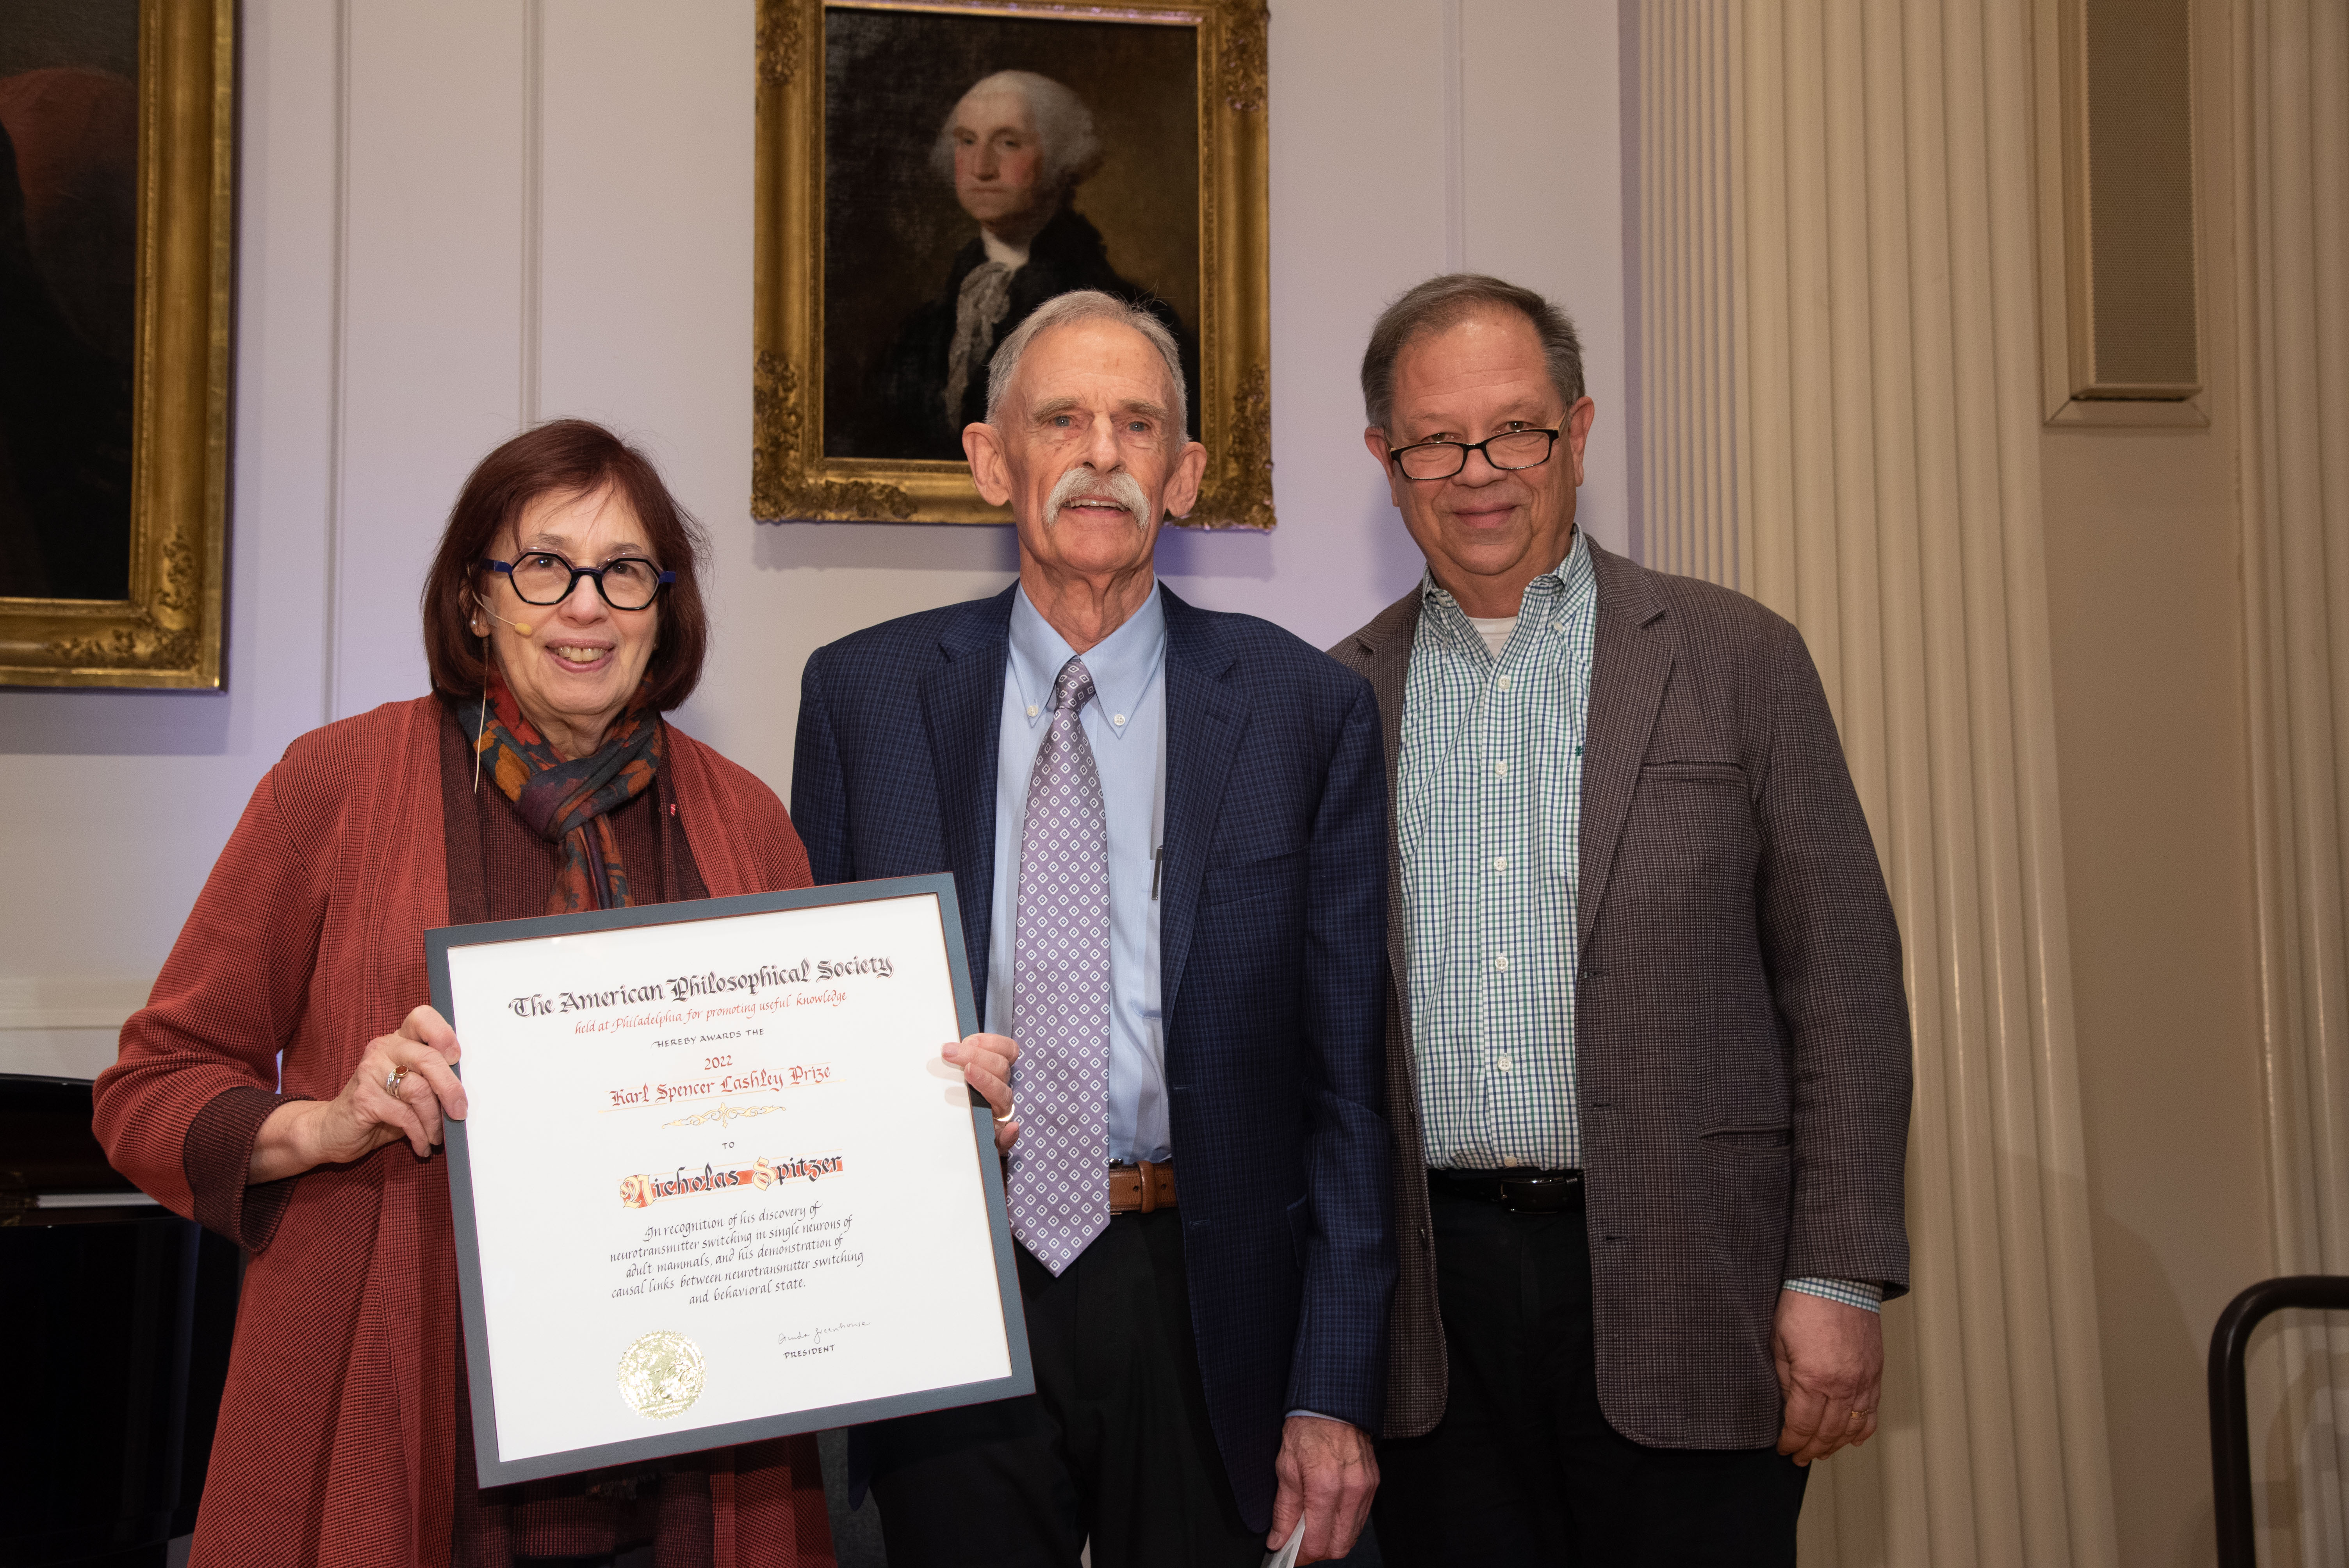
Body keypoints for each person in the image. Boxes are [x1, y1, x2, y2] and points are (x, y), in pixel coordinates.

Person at [92, 421, 839, 1567]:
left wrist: (926, 1106)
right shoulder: (333, 789)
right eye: (543, 566)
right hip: (405, 1417)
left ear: (662, 608)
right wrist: (325, 1123)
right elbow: (153, 1085)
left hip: (689, 1445)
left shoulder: (746, 821)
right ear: (474, 600)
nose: (585, 605)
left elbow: (798, 1109)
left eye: (624, 571)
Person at [792, 290, 1390, 1566]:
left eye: (1137, 425)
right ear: (989, 457)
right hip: (953, 1274)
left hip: (1201, 1286)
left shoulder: (1303, 710)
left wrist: (1330, 1381)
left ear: (1184, 476)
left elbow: (1349, 1086)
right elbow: (817, 1045)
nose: (1100, 453)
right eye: (1060, 417)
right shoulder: (862, 696)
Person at [1328, 274, 1912, 1564]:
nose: (1477, 470)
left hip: (1692, 1295)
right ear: (1385, 459)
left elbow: (1842, 987)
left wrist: (1834, 1275)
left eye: (1516, 429)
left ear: (1578, 432)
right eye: (1436, 438)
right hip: (1431, 1322)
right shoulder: (1330, 703)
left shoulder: (1737, 658)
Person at [861, 70, 1200, 461]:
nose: (982, 167)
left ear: (1059, 156)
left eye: (1008, 143)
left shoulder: (1135, 320)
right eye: (967, 142)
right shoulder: (919, 330)